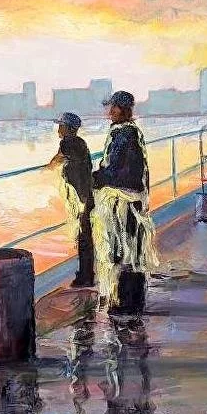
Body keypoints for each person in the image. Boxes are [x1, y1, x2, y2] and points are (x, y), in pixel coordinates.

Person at [91, 91, 159, 314]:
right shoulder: (131, 132)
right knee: (132, 250)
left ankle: (124, 302)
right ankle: (131, 301)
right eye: (110, 107)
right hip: (134, 198)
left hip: (123, 200)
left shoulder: (123, 134)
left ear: (125, 110)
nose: (110, 111)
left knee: (119, 250)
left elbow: (118, 171)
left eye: (115, 107)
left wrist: (94, 178)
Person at [47, 112, 95, 287]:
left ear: (67, 128)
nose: (58, 129)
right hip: (87, 192)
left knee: (83, 236)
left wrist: (44, 170)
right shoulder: (80, 142)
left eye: (61, 126)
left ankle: (85, 277)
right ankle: (87, 274)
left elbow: (55, 162)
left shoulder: (67, 143)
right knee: (86, 235)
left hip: (79, 196)